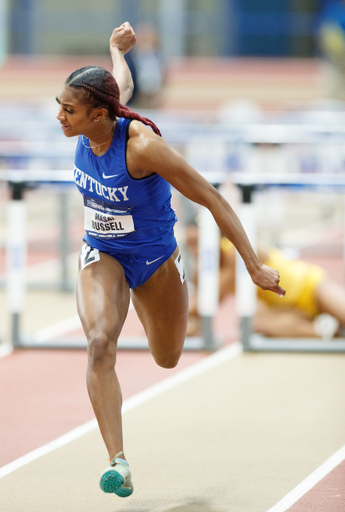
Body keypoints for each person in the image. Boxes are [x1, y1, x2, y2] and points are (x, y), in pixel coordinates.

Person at [56, 22, 285, 499]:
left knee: (167, 357)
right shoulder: (92, 120)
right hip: (104, 252)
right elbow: (124, 79)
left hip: (157, 258)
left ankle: (152, 301)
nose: (60, 116)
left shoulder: (142, 148)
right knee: (100, 342)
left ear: (100, 115)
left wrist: (253, 265)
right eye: (59, 106)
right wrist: (116, 50)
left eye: (69, 110)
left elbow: (213, 200)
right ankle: (117, 461)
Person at [186, 227, 345, 339]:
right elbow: (200, 315)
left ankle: (328, 328)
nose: (196, 251)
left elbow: (208, 302)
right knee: (251, 322)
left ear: (213, 237)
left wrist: (170, 318)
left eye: (198, 243)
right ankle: (328, 333)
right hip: (281, 308)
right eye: (190, 246)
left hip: (311, 287)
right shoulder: (203, 271)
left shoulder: (236, 251)